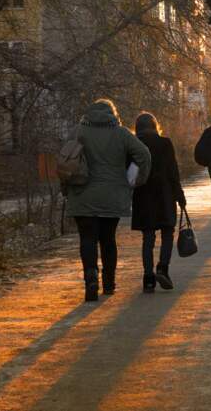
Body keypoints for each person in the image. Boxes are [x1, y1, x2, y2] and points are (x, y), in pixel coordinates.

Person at [66, 99, 151, 302]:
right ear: (112, 114)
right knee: (108, 239)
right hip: (112, 195)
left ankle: (91, 278)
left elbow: (65, 161)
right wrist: (138, 179)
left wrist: (65, 187)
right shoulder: (121, 133)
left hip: (82, 194)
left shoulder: (78, 132)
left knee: (87, 238)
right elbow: (144, 154)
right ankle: (109, 284)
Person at [131, 112, 186, 293]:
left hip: (143, 196)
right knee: (167, 234)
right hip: (165, 194)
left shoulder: (134, 145)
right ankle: (163, 268)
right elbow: (173, 172)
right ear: (155, 126)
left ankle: (148, 278)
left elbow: (129, 174)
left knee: (148, 238)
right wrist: (180, 196)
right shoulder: (165, 143)